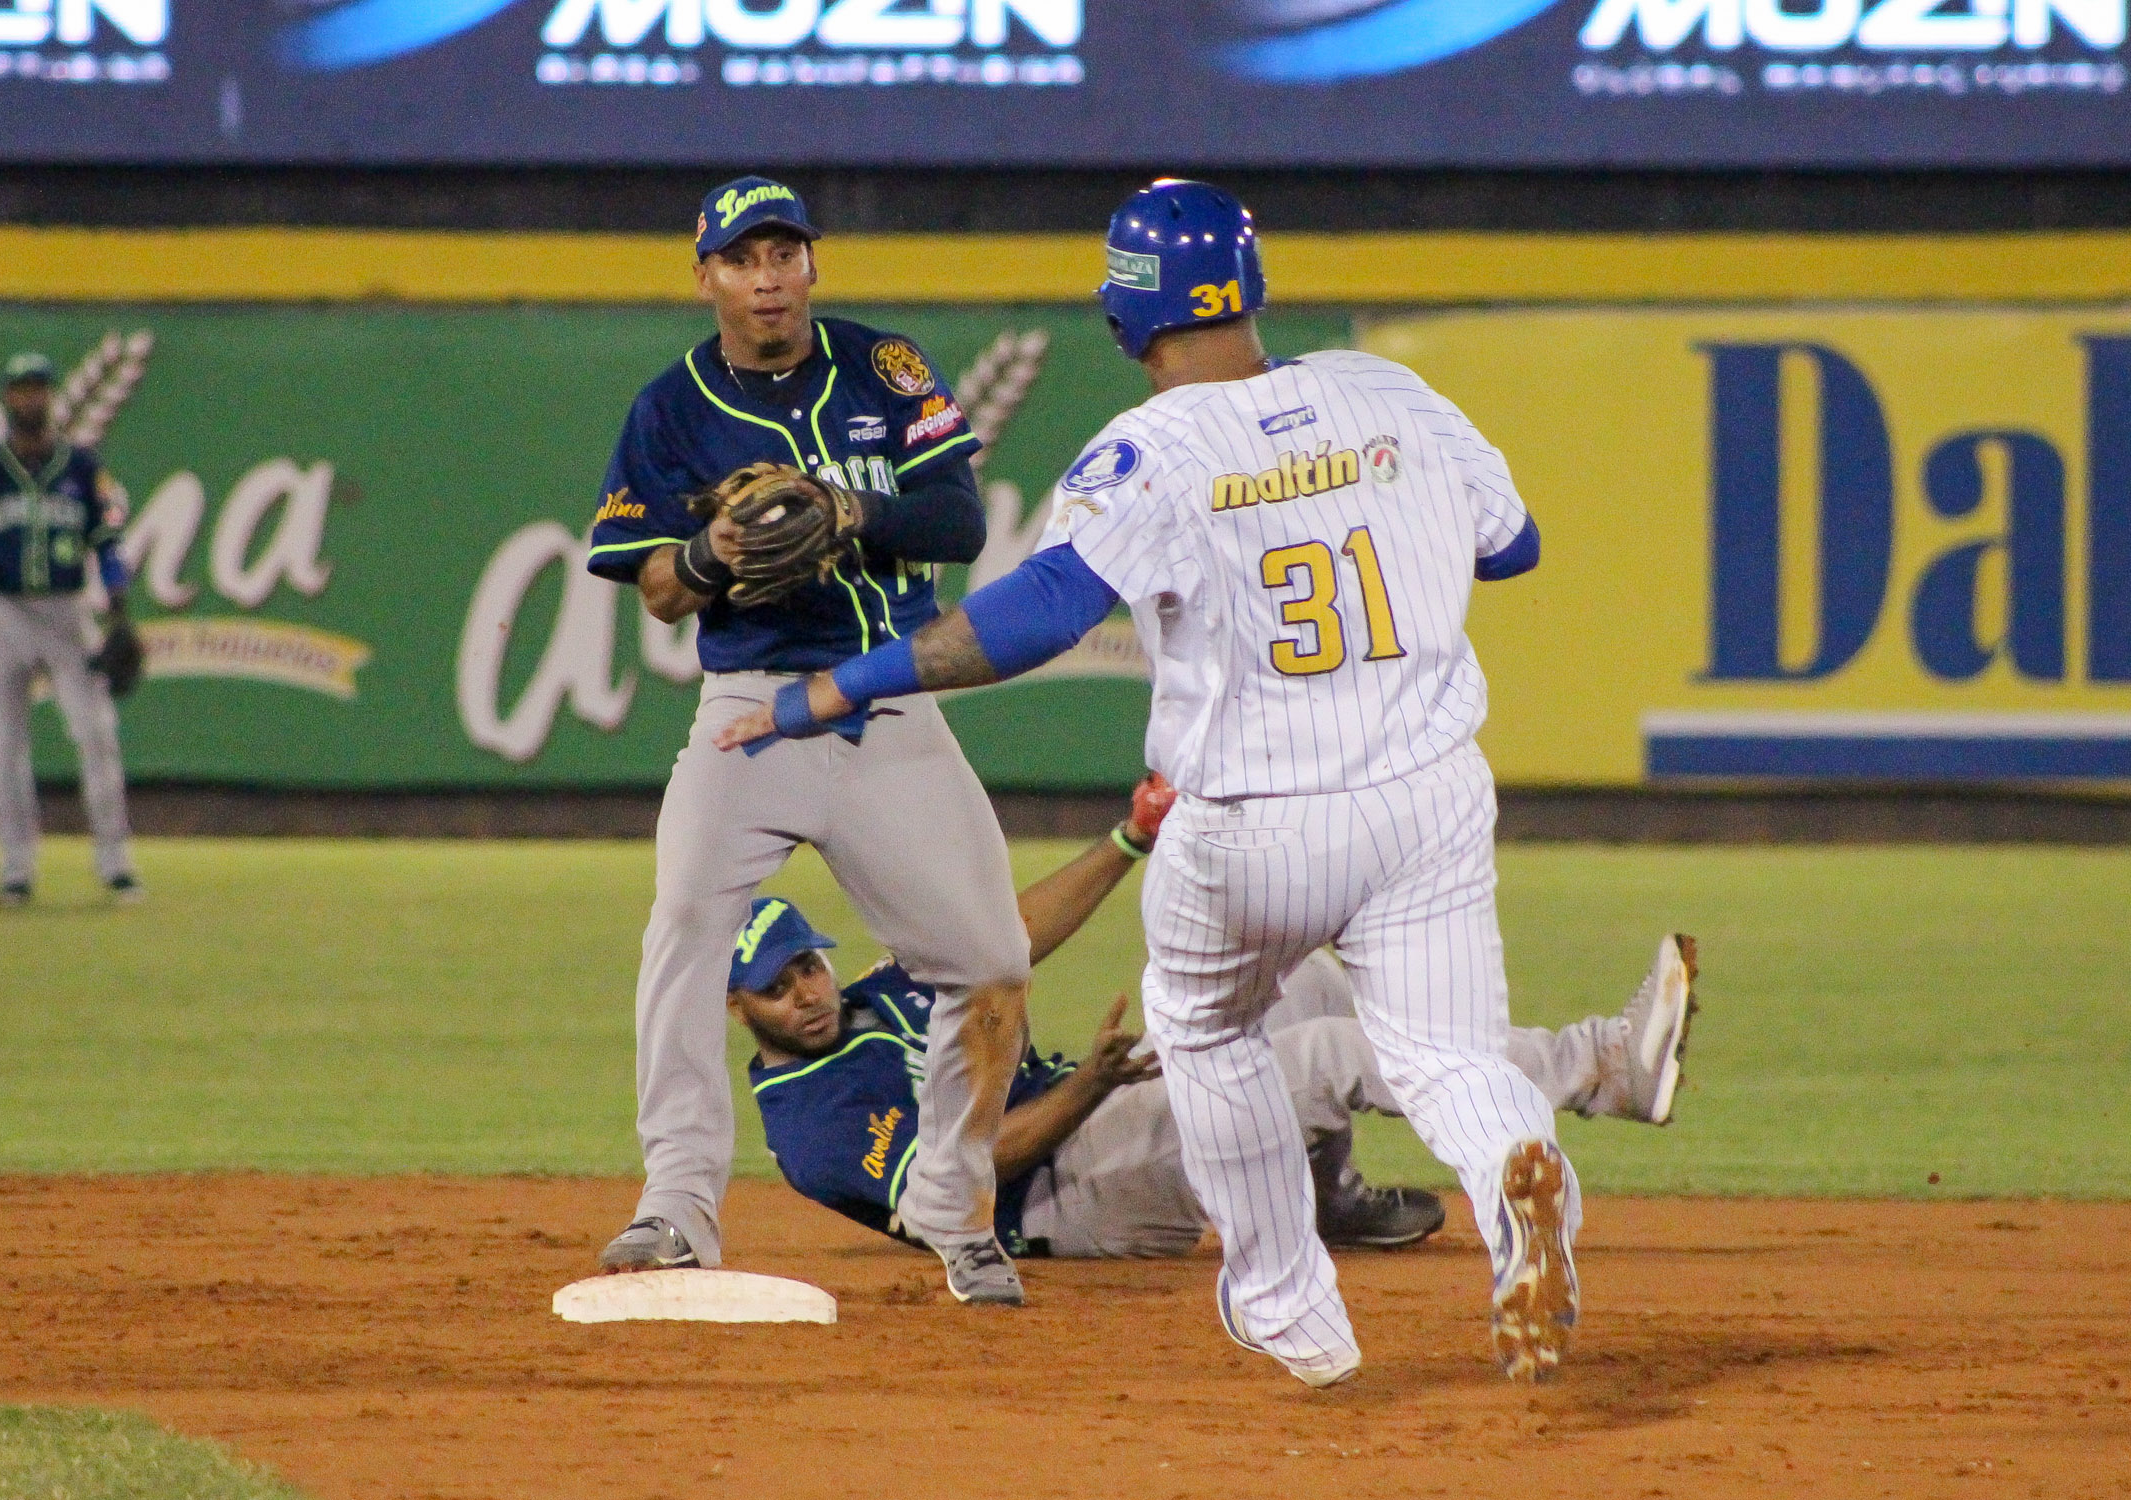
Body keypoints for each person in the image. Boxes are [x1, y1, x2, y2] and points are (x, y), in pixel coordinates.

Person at [716, 179, 1682, 1385]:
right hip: (1427, 796)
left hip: (1249, 824)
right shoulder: (1386, 389)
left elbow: (1039, 617)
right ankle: (1514, 1179)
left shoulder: (1149, 449)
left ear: (1127, 317)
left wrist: (835, 688)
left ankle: (1292, 1309)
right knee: (1444, 1057)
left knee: (1205, 1029)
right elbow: (1514, 543)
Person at [580, 176, 1035, 1305]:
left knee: (990, 965)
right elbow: (653, 590)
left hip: (888, 703)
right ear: (709, 277)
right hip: (750, 708)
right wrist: (706, 554)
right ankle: (677, 1204)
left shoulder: (882, 367)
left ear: (812, 266)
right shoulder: (671, 407)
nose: (768, 275)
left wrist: (850, 507)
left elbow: (960, 519)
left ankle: (949, 1201)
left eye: (785, 252)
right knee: (686, 921)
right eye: (743, 258)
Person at [730, 780, 1698, 1265]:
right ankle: (1607, 1069)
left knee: (1298, 985)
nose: (809, 991)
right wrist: (1090, 1086)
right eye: (780, 987)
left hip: (1098, 1111)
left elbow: (1004, 938)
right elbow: (966, 1184)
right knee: (1321, 1058)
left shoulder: (865, 997)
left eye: (807, 963)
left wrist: (1129, 838)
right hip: (1067, 1196)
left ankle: (1320, 1196)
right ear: (739, 1010)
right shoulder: (810, 1121)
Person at [0, 352, 141, 907]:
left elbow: (107, 543)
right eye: (21, 389)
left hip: (67, 611)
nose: (30, 398)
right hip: (2, 612)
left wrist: (119, 610)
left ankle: (116, 861)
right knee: (4, 748)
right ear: (7, 397)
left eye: (39, 388)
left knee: (96, 734)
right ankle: (15, 869)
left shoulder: (81, 468)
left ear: (52, 396)